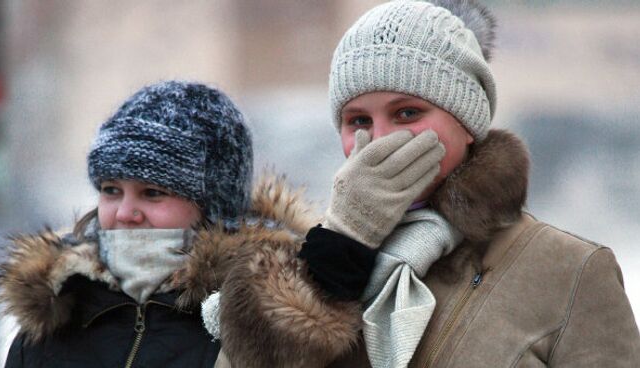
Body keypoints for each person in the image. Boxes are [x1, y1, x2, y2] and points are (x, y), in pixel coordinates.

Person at [208, 1, 640, 367]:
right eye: (359, 120)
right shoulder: (310, 264)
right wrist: (338, 249)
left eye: (408, 113)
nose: (381, 139)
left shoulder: (569, 269)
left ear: (467, 122)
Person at [0, 80, 255, 368]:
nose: (124, 213)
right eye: (111, 190)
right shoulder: (51, 323)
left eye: (152, 193)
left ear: (216, 209)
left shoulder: (262, 330)